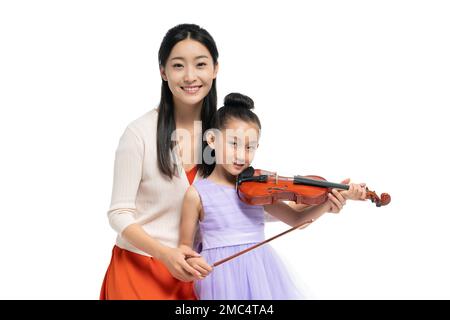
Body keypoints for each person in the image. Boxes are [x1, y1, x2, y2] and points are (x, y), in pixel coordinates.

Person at [178, 93, 366, 299]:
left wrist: (328, 203)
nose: (242, 155)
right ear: (212, 139)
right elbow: (185, 249)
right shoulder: (196, 194)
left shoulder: (257, 188)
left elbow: (297, 220)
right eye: (234, 144)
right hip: (219, 281)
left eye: (249, 147)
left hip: (261, 272)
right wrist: (192, 261)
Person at [100, 23, 219, 299]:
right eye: (178, 66)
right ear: (163, 72)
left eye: (200, 64)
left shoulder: (224, 136)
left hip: (194, 278)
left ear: (215, 68)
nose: (190, 76)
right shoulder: (139, 133)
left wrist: (307, 207)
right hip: (139, 272)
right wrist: (165, 254)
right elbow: (119, 213)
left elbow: (238, 203)